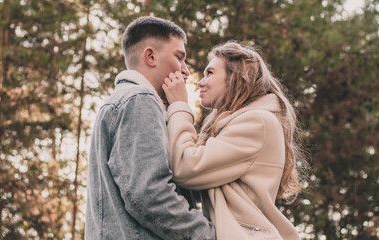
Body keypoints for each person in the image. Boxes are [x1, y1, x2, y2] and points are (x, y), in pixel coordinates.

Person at [85, 16, 215, 240]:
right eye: (179, 57)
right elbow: (149, 195)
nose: (185, 70)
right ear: (151, 56)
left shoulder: (120, 101)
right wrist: (209, 234)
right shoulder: (140, 99)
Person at [163, 41, 306, 239]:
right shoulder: (238, 124)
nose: (200, 82)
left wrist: (179, 105)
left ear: (236, 78)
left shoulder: (257, 122)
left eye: (210, 73)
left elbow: (186, 166)